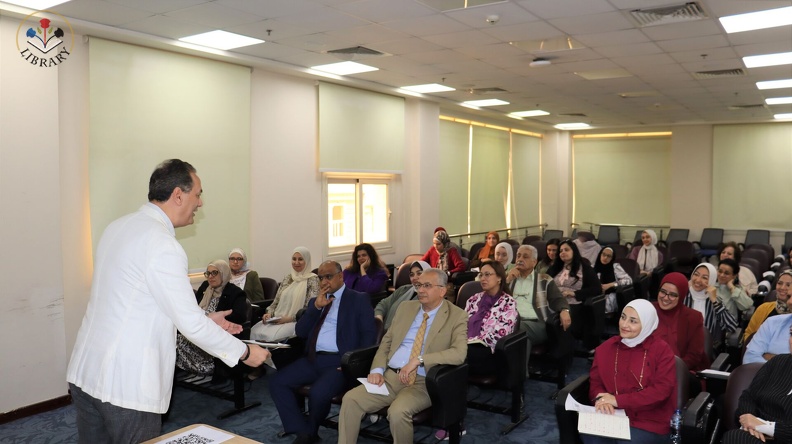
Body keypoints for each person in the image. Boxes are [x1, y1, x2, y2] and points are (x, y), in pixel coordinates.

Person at [66, 159, 269, 443]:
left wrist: (206, 318)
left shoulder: (117, 227)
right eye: (198, 194)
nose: (200, 203)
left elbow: (139, 302)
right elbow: (190, 325)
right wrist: (245, 353)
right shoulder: (163, 245)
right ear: (178, 195)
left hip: (86, 370)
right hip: (126, 385)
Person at [337, 268, 468, 444]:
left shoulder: (457, 316)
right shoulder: (405, 307)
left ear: (442, 290)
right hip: (390, 377)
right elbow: (387, 342)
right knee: (351, 399)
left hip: (424, 382)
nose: (421, 290)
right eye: (419, 285)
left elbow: (459, 354)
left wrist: (420, 360)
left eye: (427, 286)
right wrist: (377, 370)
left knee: (398, 412)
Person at [270, 260, 377, 444]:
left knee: (318, 394)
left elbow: (369, 335)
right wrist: (316, 308)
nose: (324, 281)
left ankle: (310, 432)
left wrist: (353, 363)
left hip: (340, 362)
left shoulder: (358, 299)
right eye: (321, 277)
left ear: (340, 276)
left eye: (328, 276)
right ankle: (302, 430)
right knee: (277, 382)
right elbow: (301, 331)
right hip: (312, 359)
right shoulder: (316, 301)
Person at [586, 299, 677, 444]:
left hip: (649, 420)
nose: (624, 324)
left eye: (633, 321)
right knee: (590, 436)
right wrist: (602, 400)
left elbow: (661, 391)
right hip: (613, 414)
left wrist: (617, 400)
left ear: (646, 324)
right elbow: (596, 382)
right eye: (623, 317)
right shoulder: (606, 348)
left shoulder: (662, 350)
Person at [176, 260, 248, 380]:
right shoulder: (205, 287)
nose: (210, 276)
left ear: (224, 273)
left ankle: (202, 370)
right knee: (172, 337)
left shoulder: (236, 292)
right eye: (208, 273)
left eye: (214, 273)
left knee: (177, 341)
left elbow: (240, 316)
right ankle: (189, 370)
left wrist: (215, 320)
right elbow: (194, 307)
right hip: (199, 328)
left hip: (215, 332)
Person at [506, 245, 571, 364]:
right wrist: (507, 280)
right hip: (511, 323)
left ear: (534, 262)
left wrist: (564, 310)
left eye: (525, 257)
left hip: (537, 324)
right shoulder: (509, 279)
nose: (520, 259)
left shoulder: (544, 280)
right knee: (522, 340)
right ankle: (519, 374)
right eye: (518, 256)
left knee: (517, 329)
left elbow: (557, 299)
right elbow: (496, 299)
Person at [250, 247, 319, 343]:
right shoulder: (288, 278)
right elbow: (275, 302)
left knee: (272, 337)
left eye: (300, 259)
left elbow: (309, 308)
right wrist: (269, 313)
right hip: (277, 319)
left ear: (307, 261)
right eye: (294, 259)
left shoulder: (313, 280)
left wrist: (289, 319)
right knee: (254, 332)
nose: (296, 262)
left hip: (296, 321)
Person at [722, 353, 792, 444]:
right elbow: (748, 396)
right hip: (756, 434)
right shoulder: (778, 361)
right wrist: (748, 420)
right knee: (736, 437)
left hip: (784, 435)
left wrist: (764, 426)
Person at [464, 261, 518, 375]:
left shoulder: (508, 302)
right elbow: (461, 324)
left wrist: (472, 341)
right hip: (465, 346)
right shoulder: (474, 299)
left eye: (487, 274)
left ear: (499, 278)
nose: (483, 278)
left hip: (489, 351)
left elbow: (501, 335)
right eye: (481, 275)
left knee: (460, 355)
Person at [547, 239, 603, 349]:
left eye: (566, 250)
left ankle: (562, 350)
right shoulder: (555, 267)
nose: (563, 252)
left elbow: (597, 289)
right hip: (553, 301)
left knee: (556, 319)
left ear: (574, 251)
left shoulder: (585, 268)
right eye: (561, 251)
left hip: (573, 303)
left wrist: (574, 293)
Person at [652, 272, 710, 373]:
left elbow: (694, 356)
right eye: (663, 292)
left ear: (681, 296)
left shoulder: (693, 318)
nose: (665, 298)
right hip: (647, 369)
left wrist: (667, 368)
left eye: (673, 295)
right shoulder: (648, 310)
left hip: (679, 371)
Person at [684, 263, 738, 341]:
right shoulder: (682, 295)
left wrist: (715, 302)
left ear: (711, 281)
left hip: (704, 345)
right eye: (696, 274)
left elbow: (732, 326)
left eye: (704, 278)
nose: (698, 280)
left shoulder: (714, 300)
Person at [375, 260, 431, 331]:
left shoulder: (429, 298)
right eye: (411, 274)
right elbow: (383, 304)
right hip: (382, 331)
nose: (414, 278)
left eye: (419, 273)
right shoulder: (403, 289)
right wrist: (379, 320)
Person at [744, 270, 792, 342]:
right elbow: (748, 334)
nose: (782, 288)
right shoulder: (763, 308)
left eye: (788, 285)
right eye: (779, 283)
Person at [594, 246, 633, 314]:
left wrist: (611, 284)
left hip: (610, 296)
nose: (605, 257)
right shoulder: (593, 267)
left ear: (612, 258)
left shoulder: (615, 267)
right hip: (596, 295)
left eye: (609, 256)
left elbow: (629, 280)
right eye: (603, 254)